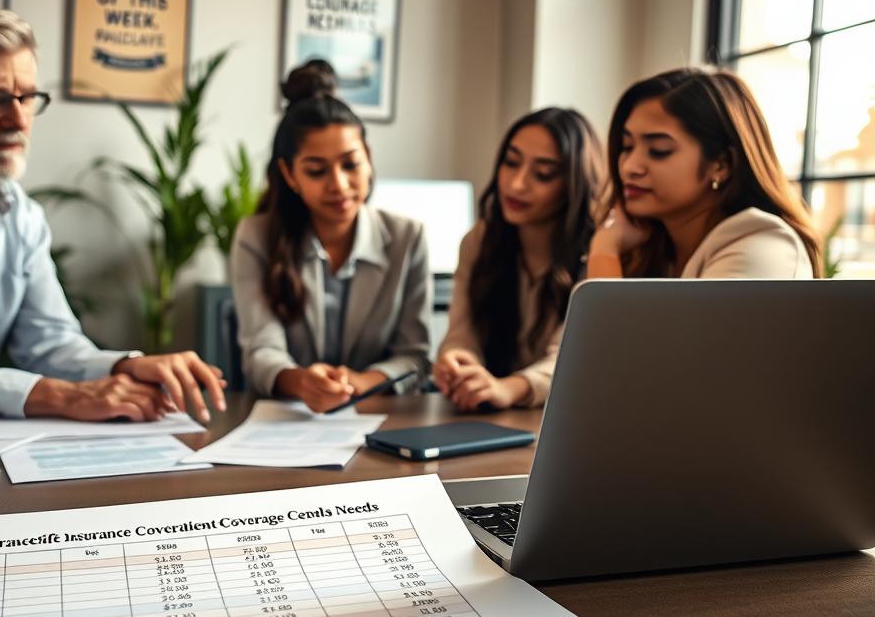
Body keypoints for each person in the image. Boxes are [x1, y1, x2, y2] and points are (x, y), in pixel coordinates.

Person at [0, 2, 226, 422]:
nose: (17, 120)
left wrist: (124, 367)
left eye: (27, 97)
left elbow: (48, 344)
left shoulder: (19, 214)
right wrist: (65, 397)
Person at [231, 82, 431, 413]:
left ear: (368, 159)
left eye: (351, 165)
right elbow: (261, 351)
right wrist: (303, 382)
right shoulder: (256, 237)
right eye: (316, 170)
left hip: (380, 417)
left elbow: (415, 357)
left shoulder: (408, 237)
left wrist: (362, 381)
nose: (338, 184)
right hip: (289, 421)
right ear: (289, 174)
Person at [433, 108, 605, 411]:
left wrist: (510, 388)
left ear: (574, 185)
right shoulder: (480, 241)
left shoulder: (600, 251)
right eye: (511, 163)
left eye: (543, 174)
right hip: (492, 420)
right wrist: (459, 361)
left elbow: (575, 360)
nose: (516, 184)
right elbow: (462, 334)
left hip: (565, 418)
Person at [586, 67, 820, 279]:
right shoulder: (650, 250)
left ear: (720, 165)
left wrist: (605, 249)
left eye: (659, 151)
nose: (629, 167)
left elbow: (614, 328)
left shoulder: (762, 247)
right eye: (626, 147)